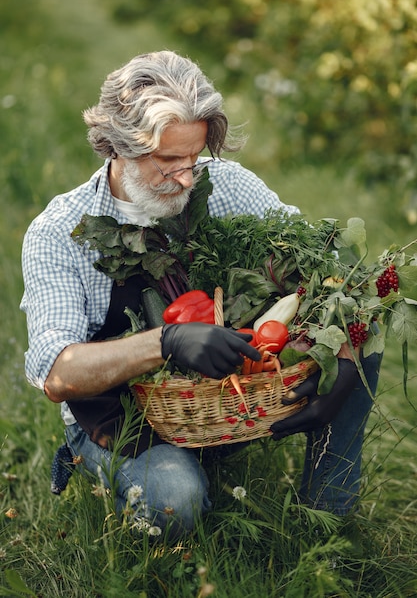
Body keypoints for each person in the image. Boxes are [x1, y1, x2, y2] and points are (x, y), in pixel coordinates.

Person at [21, 50, 381, 539]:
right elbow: (56, 375)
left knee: (362, 331)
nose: (187, 178)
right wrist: (165, 342)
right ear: (115, 146)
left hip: (226, 398)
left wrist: (341, 379)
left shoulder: (227, 187)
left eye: (194, 158)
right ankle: (118, 469)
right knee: (177, 501)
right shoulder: (60, 232)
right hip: (119, 419)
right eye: (168, 161)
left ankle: (328, 523)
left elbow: (330, 275)